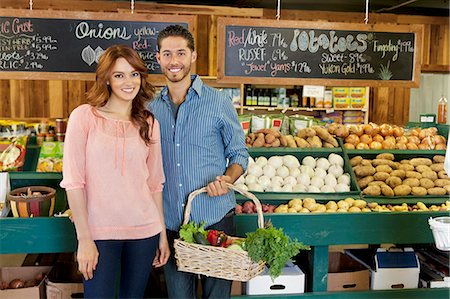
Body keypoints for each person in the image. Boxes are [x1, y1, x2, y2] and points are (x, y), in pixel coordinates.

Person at [60, 45, 170, 298]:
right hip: (99, 233)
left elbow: (155, 184)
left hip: (144, 232)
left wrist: (162, 235)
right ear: (107, 79)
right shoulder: (84, 117)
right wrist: (84, 239)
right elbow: (74, 182)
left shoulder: (149, 123)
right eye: (119, 75)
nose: (128, 82)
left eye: (134, 74)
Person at [149, 25, 249, 298]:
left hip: (215, 218)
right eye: (167, 54)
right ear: (158, 58)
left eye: (181, 53)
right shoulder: (149, 108)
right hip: (171, 224)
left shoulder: (218, 103)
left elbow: (239, 154)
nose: (174, 61)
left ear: (193, 56)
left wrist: (227, 179)